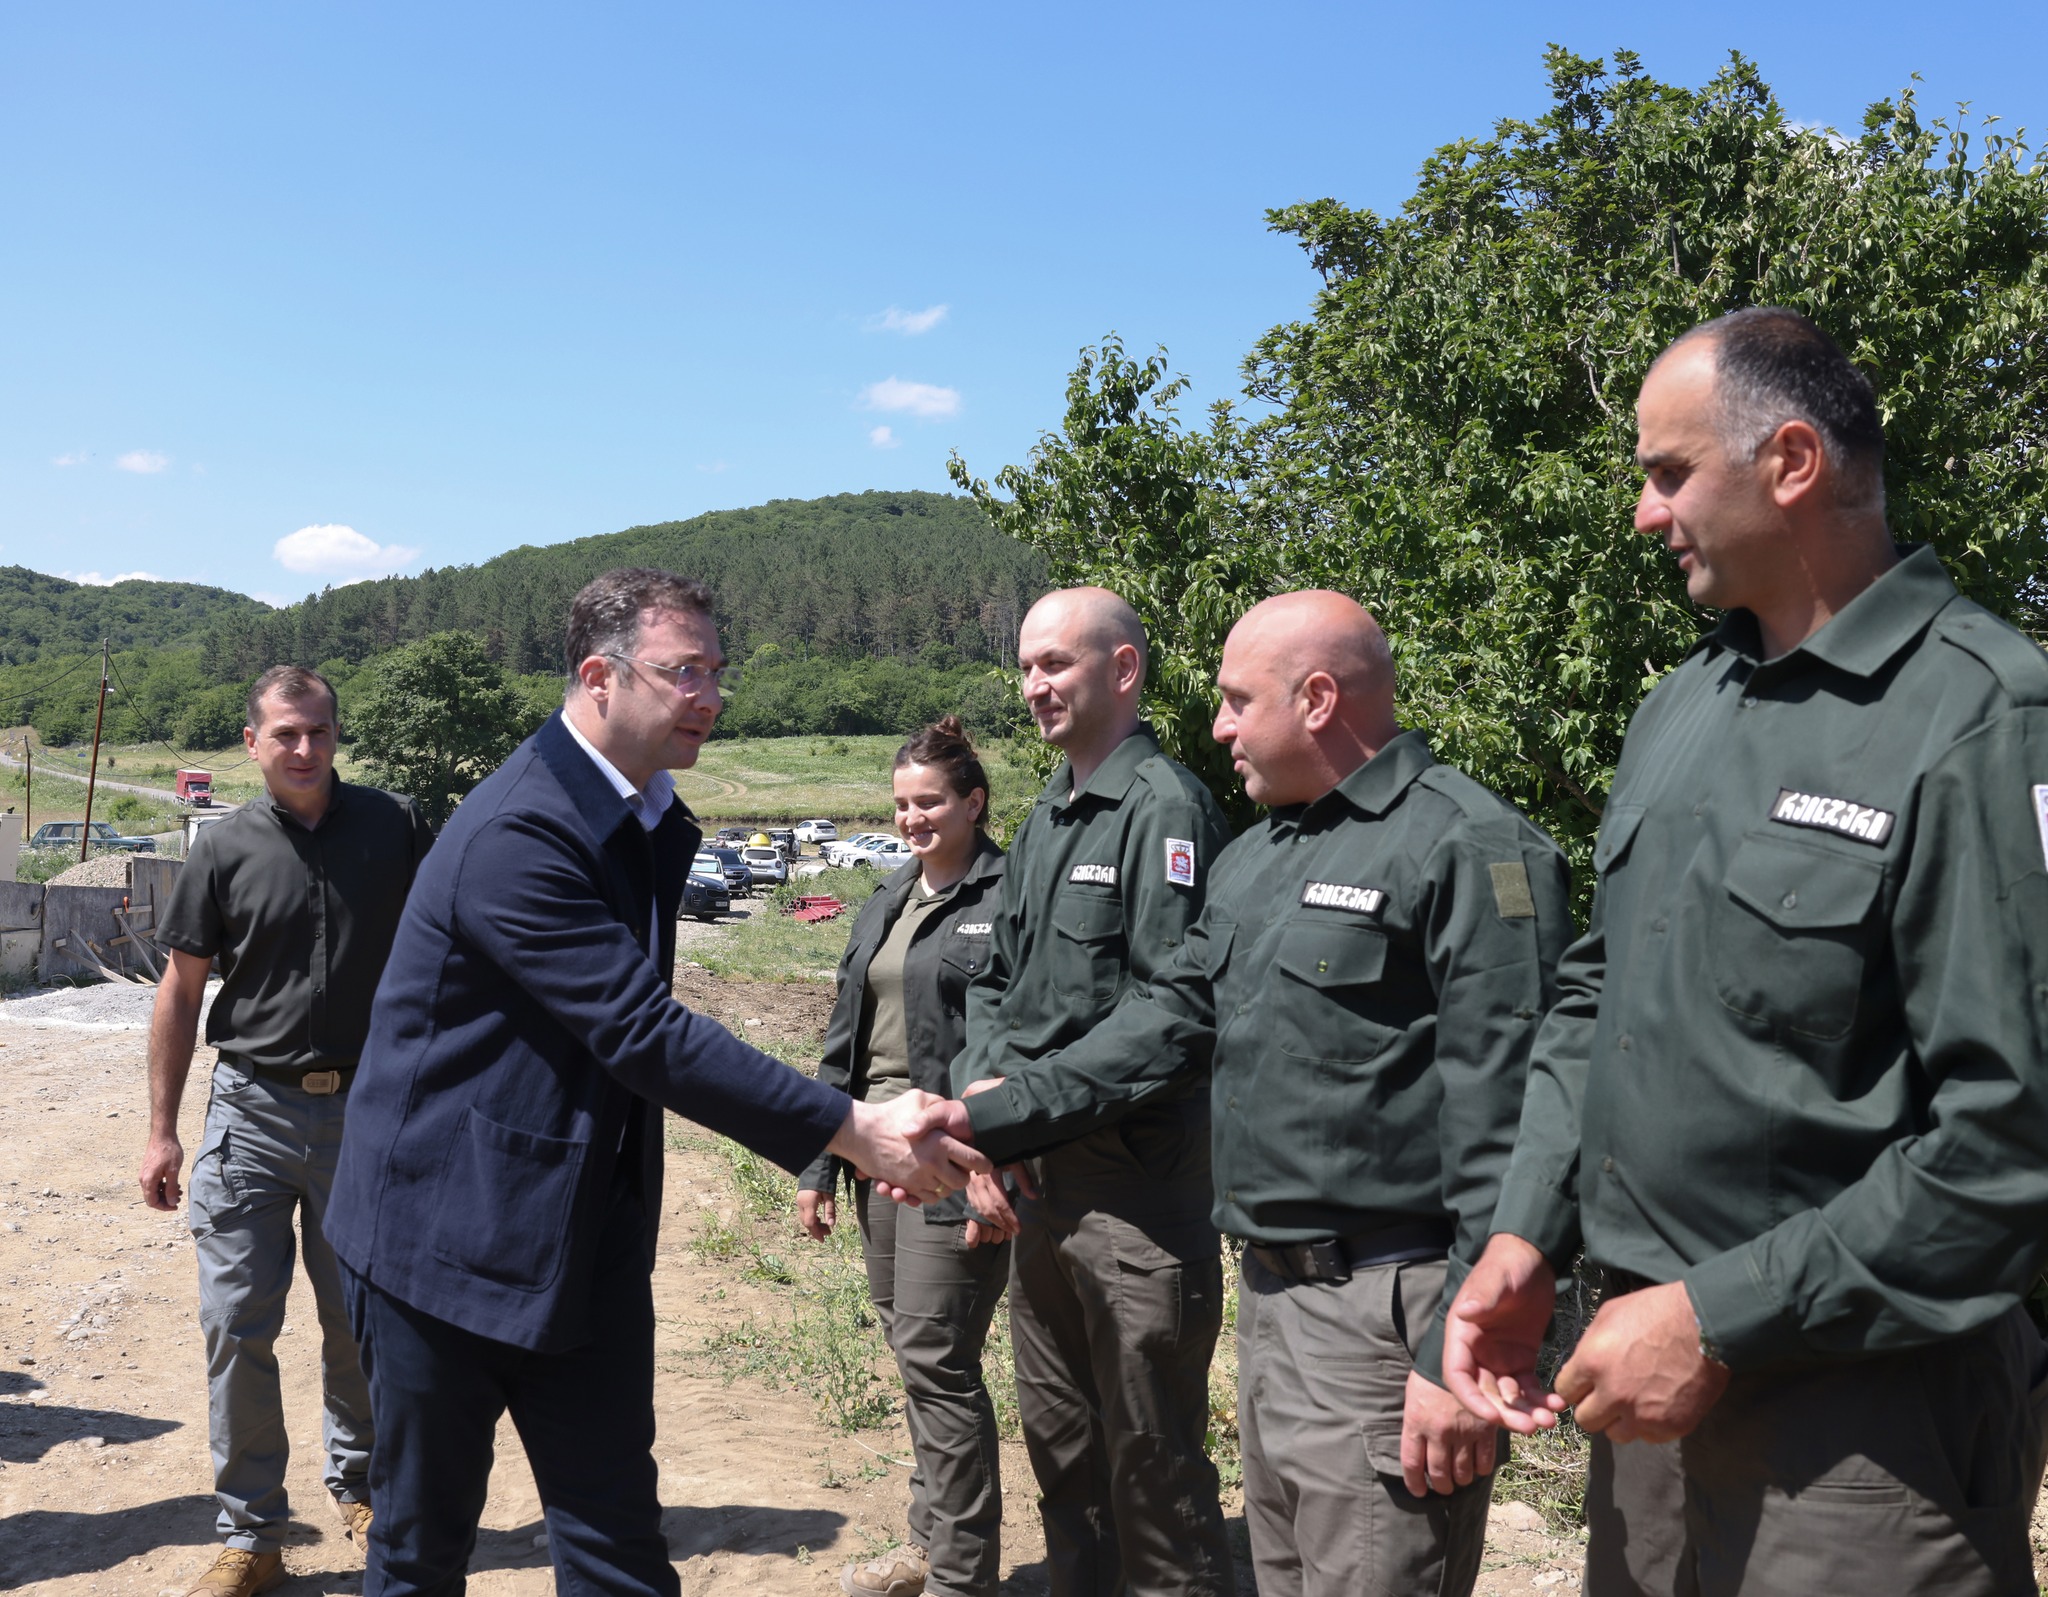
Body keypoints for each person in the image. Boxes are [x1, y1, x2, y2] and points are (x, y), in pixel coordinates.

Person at [1443, 308, 2048, 1596]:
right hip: (1639, 1389)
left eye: (1667, 473)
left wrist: (1717, 1317)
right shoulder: (1683, 704)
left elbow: (2011, 1135)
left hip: (1859, 1432)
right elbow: (1596, 994)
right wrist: (1525, 1230)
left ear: (1789, 462)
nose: (1643, 514)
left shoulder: (1982, 715)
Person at [325, 568, 989, 1597]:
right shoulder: (521, 829)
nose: (710, 695)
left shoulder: (638, 815)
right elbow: (639, 1029)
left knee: (617, 1547)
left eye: (717, 671)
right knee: (421, 1550)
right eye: (685, 671)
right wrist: (851, 1127)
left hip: (578, 1229)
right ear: (599, 677)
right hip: (437, 1241)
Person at [959, 593, 1573, 1597]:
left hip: (1392, 1309)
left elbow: (1519, 1116)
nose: (1218, 727)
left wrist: (1460, 1348)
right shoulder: (1257, 860)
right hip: (1275, 1301)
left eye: (1238, 701)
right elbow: (1166, 1020)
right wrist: (977, 1116)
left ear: (1318, 699)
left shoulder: (1467, 845)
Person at [948, 586, 1235, 1597]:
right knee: (1064, 1458)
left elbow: (1173, 1017)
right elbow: (994, 978)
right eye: (1026, 666)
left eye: (1055, 663)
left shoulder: (1164, 808)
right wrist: (988, 1105)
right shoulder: (1047, 816)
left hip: (1132, 1203)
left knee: (1152, 1475)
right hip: (1040, 1195)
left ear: (1122, 670)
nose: (1034, 685)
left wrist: (1005, 1113)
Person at [138, 665, 434, 1597]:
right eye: (285, 734)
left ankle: (366, 1491)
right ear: (252, 742)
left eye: (319, 730)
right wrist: (162, 1131)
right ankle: (253, 1534)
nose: (304, 748)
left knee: (360, 1324)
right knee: (236, 1324)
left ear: (336, 733)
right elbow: (181, 991)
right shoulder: (223, 848)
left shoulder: (395, 827)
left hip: (369, 1115)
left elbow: (448, 955)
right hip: (252, 1114)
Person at [797, 716, 1012, 1597]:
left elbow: (1022, 1042)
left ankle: (962, 1576)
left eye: (930, 801)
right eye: (901, 803)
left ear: (974, 802)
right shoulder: (889, 895)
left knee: (937, 1356)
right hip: (872, 1159)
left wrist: (998, 1159)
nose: (913, 817)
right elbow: (842, 1038)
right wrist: (819, 1164)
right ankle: (928, 1544)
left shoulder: (1009, 897)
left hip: (953, 1162)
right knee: (913, 1351)